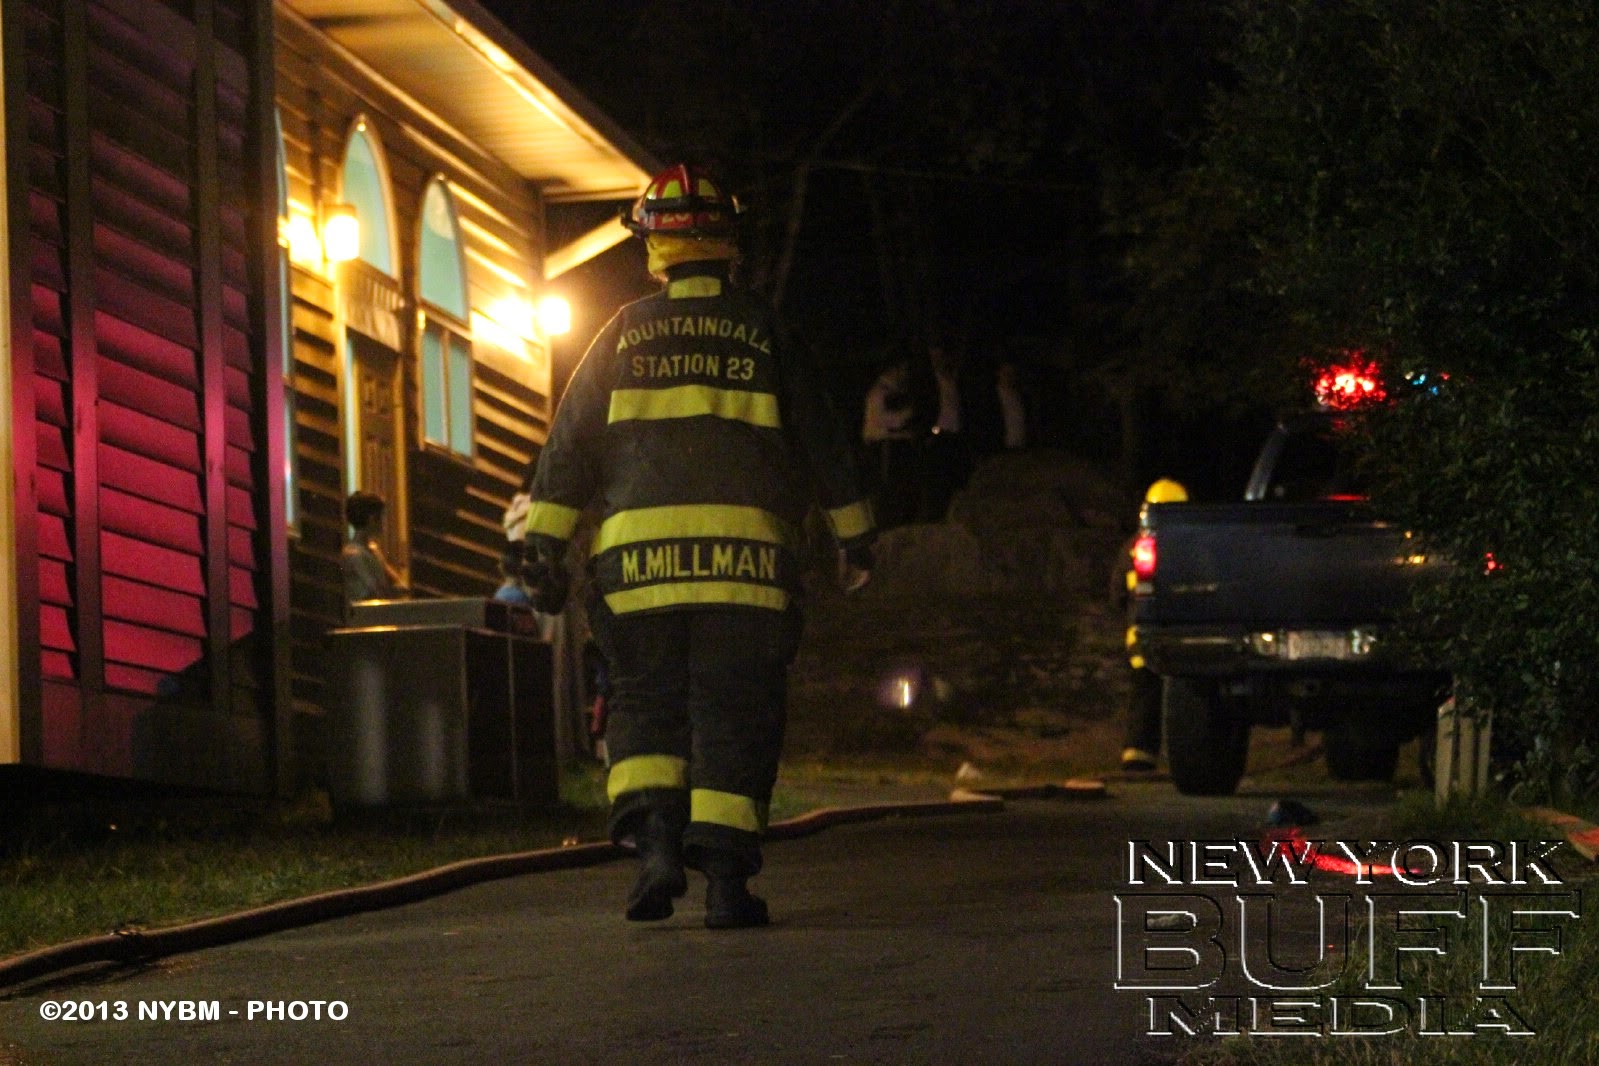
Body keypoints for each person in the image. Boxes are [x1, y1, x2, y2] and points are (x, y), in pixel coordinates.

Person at [520, 162, 876, 929]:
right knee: (734, 710)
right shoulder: (765, 331)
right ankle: (725, 886)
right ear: (729, 243)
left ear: (652, 246)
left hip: (636, 573)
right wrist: (856, 539)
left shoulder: (618, 335)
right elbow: (823, 441)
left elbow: (568, 449)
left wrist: (540, 549)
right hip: (746, 572)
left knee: (644, 703)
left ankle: (654, 848)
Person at [1118, 478, 1188, 771]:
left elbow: (1116, 592)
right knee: (1184, 695)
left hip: (1141, 632)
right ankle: (1183, 758)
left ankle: (1139, 753)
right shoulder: (1189, 547)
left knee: (1144, 692)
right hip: (1180, 635)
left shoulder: (1133, 546)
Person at [860, 357, 921, 529]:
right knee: (887, 488)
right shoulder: (880, 393)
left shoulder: (889, 392)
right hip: (882, 448)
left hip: (885, 445)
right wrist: (908, 413)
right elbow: (888, 422)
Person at [341, 491, 404, 613]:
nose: (383, 523)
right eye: (381, 517)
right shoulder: (354, 554)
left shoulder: (372, 550)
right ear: (372, 519)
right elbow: (373, 591)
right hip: (364, 618)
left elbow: (398, 583)